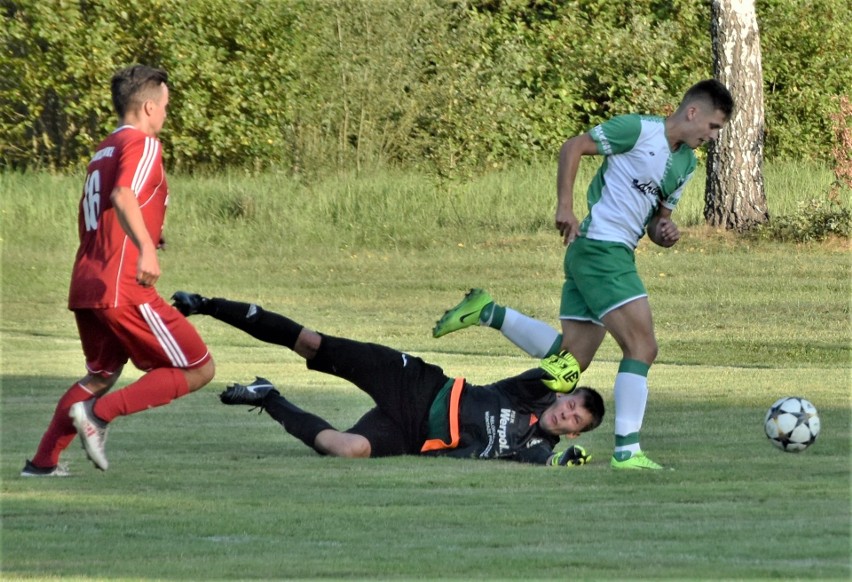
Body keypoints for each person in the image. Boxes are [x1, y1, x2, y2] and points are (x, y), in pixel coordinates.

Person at [433, 80, 735, 470]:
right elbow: (573, 146)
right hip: (601, 250)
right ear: (693, 112)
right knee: (642, 348)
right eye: (712, 127)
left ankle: (488, 311)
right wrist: (566, 206)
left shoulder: (686, 164)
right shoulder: (638, 129)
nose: (712, 137)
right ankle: (627, 453)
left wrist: (666, 234)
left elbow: (659, 225)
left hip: (607, 252)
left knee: (572, 358)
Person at [21, 65, 215, 477]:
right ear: (148, 106)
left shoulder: (103, 149)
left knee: (101, 373)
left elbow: (107, 212)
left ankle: (41, 464)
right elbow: (123, 193)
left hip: (87, 280)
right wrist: (145, 247)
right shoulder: (144, 144)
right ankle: (97, 416)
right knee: (198, 367)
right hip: (122, 283)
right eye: (165, 105)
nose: (166, 113)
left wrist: (147, 233)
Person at [171, 292, 605, 466]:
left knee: (346, 449)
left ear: (573, 434)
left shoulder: (536, 449)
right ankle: (208, 305)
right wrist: (565, 370)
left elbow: (549, 465)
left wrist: (566, 464)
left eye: (574, 421)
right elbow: (556, 369)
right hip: (417, 385)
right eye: (569, 404)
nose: (565, 414)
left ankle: (267, 397)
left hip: (412, 433)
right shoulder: (530, 395)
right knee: (310, 342)